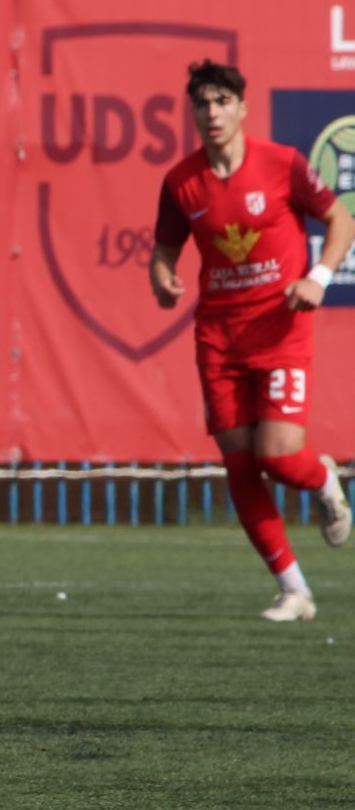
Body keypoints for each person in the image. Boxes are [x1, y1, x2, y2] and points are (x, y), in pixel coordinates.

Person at [150, 59, 355, 622]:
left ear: (242, 107)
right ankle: (294, 589)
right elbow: (164, 250)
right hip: (218, 338)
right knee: (240, 466)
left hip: (280, 329)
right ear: (193, 112)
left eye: (222, 101)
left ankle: (324, 480)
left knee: (281, 457)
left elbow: (341, 220)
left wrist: (317, 278)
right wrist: (161, 278)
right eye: (202, 103)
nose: (212, 113)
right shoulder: (181, 181)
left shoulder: (282, 164)